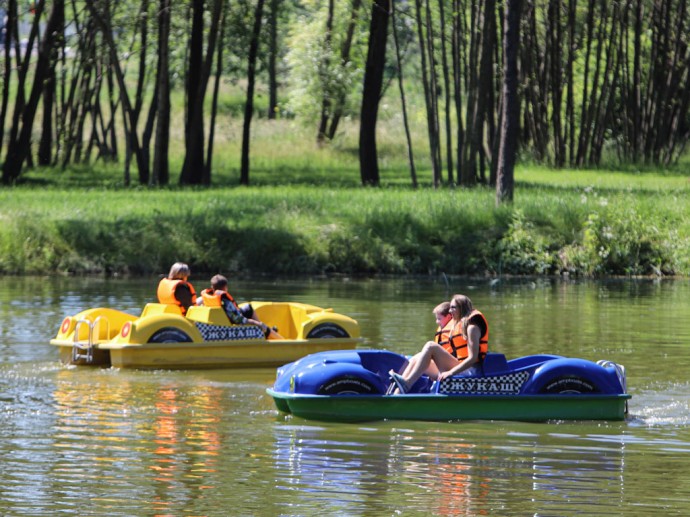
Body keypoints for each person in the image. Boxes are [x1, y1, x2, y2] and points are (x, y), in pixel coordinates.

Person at [389, 294, 489, 394]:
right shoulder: (460, 324)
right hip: (460, 366)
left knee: (431, 346)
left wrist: (450, 372)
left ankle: (407, 384)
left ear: (461, 308)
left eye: (453, 307)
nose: (450, 311)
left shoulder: (472, 327)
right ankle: (397, 394)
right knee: (417, 358)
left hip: (471, 372)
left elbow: (472, 358)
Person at [199, 274, 283, 339]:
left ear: (212, 287)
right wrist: (258, 324)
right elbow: (238, 319)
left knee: (248, 308)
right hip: (232, 322)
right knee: (260, 322)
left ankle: (266, 331)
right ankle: (272, 335)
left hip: (223, 318)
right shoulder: (225, 301)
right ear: (225, 288)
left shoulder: (209, 297)